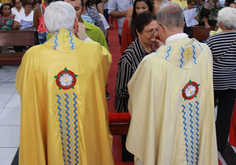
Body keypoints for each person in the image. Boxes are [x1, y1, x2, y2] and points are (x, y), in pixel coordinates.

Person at [16, 1, 114, 165]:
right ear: (76, 22)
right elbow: (105, 64)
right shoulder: (94, 51)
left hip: (49, 124)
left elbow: (23, 88)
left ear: (46, 27)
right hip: (85, 129)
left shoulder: (33, 55)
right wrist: (86, 38)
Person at [126, 2, 218, 164]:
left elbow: (138, 101)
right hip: (197, 136)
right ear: (183, 23)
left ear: (160, 28)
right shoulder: (205, 52)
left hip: (168, 143)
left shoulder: (153, 63)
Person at [115, 11, 158, 161]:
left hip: (148, 110)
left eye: (156, 29)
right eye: (150, 31)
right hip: (131, 112)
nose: (154, 34)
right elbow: (120, 91)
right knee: (131, 154)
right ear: (138, 32)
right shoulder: (128, 58)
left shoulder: (155, 50)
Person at [205, 7, 236, 154]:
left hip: (214, 83)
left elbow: (205, 60)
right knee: (225, 115)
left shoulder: (213, 39)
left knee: (208, 112)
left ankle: (206, 141)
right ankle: (220, 146)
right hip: (232, 84)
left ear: (221, 24)